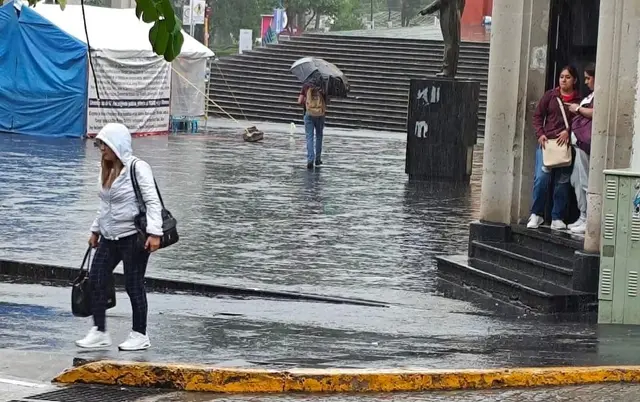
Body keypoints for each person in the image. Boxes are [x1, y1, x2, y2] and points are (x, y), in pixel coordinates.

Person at [76, 123, 163, 351]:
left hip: (133, 237)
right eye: (99, 144)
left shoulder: (138, 168)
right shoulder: (106, 168)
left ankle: (139, 333)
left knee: (133, 285)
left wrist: (155, 233)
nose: (101, 149)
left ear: (117, 144)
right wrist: (95, 230)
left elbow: (153, 202)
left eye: (104, 144)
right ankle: (100, 331)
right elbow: (105, 205)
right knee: (96, 278)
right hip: (108, 236)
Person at [528, 66, 582, 230]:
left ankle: (557, 216)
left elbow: (582, 122)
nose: (563, 80)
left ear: (574, 80)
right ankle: (536, 214)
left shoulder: (579, 100)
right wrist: (540, 134)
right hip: (547, 144)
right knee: (541, 179)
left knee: (562, 181)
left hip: (565, 146)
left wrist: (569, 131)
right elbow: (538, 116)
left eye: (567, 77)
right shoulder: (551, 96)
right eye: (561, 77)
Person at [565, 63, 596, 234]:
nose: (586, 82)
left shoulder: (597, 96)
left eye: (588, 78)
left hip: (585, 144)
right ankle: (583, 215)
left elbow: (596, 112)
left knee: (585, 181)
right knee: (576, 180)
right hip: (578, 145)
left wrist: (577, 109)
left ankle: (588, 218)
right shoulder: (590, 96)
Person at [298, 78, 327, 169]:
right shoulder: (323, 85)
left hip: (309, 113)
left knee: (309, 137)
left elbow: (299, 101)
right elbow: (326, 102)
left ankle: (310, 159)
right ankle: (318, 159)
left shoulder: (306, 85)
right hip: (320, 115)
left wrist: (307, 101)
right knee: (319, 136)